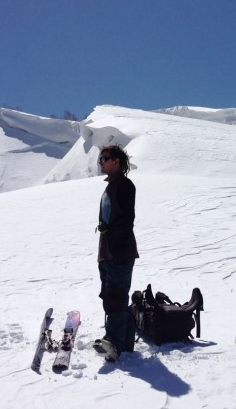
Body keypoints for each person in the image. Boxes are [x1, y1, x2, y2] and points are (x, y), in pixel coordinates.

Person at [94, 145, 138, 362]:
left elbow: (126, 221)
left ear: (117, 162)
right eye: (100, 158)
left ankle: (114, 343)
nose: (101, 161)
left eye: (105, 158)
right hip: (108, 252)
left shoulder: (124, 185)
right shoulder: (112, 185)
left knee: (116, 296)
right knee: (111, 295)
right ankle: (122, 340)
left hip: (118, 252)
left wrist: (116, 250)